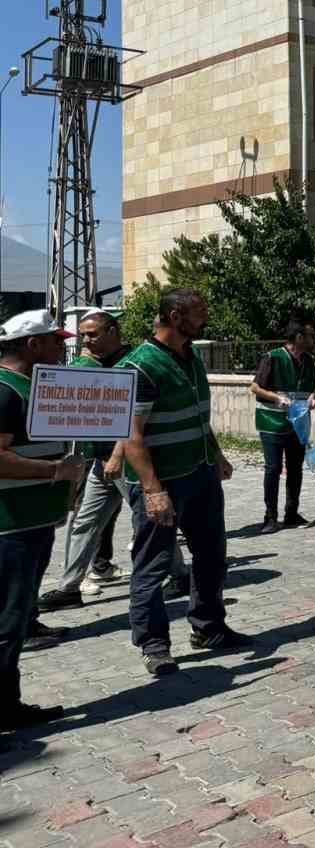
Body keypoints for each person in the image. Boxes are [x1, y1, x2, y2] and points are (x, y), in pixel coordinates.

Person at [120, 289, 249, 676]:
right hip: (163, 484)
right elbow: (131, 435)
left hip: (200, 474)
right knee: (153, 566)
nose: (206, 317)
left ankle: (209, 628)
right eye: (200, 312)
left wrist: (217, 453)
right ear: (176, 317)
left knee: (211, 556)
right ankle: (153, 644)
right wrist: (153, 490)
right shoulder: (139, 366)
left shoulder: (190, 356)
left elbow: (198, 414)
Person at [36, 310, 157, 612]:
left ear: (113, 331)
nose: (86, 340)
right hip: (101, 462)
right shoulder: (89, 365)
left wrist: (117, 455)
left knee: (151, 521)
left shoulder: (134, 364)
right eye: (83, 335)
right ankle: (68, 587)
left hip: (129, 464)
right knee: (85, 522)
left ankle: (179, 575)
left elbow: (132, 419)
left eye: (92, 334)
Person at [0, 311, 84, 731]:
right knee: (7, 621)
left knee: (14, 619)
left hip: (33, 523)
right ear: (33, 346)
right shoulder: (5, 392)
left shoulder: (34, 388)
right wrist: (55, 472)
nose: (63, 347)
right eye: (56, 341)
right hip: (10, 528)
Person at [249, 320, 315, 534]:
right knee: (273, 468)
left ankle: (291, 513)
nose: (313, 340)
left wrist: (312, 399)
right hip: (272, 421)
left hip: (298, 422)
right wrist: (276, 397)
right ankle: (270, 517)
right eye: (310, 336)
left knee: (295, 468)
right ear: (299, 338)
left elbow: (312, 389)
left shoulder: (309, 360)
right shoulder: (273, 358)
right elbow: (255, 387)